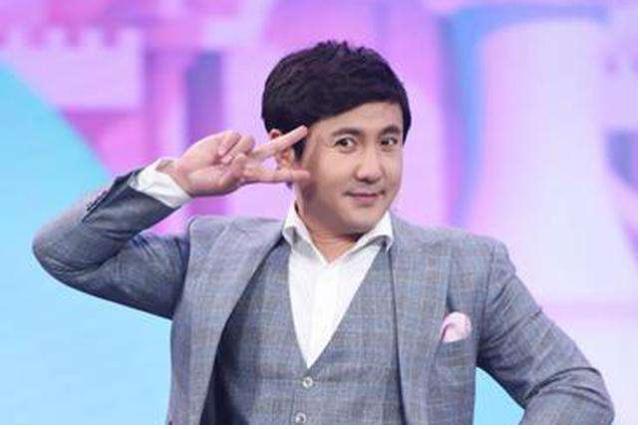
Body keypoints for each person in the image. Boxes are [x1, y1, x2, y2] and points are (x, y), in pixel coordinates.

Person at [32, 40, 614, 425]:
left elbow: (573, 388)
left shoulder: (466, 266)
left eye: (388, 142)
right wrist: (178, 180)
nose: (373, 168)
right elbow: (67, 253)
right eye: (347, 143)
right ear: (289, 150)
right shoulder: (213, 256)